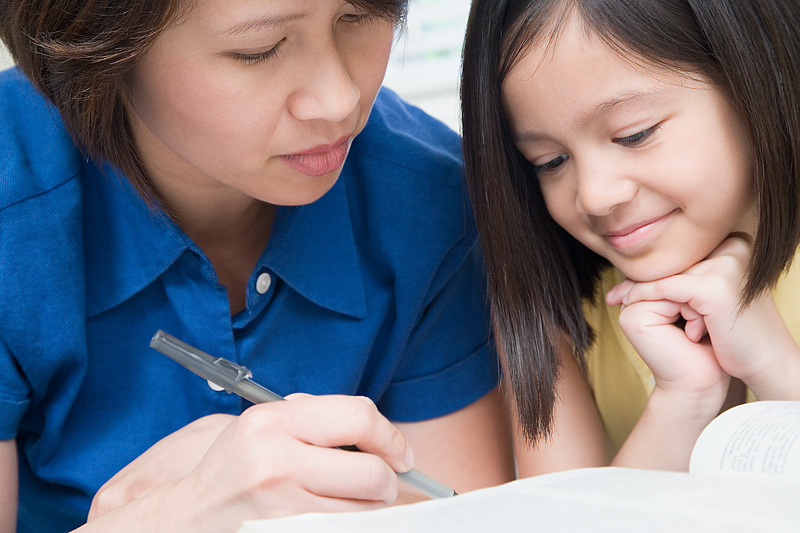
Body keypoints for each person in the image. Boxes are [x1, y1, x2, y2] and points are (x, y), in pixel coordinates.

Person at [0, 0, 516, 531]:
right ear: (99, 49)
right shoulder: (15, 210)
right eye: (258, 51)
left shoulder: (430, 201)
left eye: (360, 15)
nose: (340, 99)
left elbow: (456, 512)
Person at [460, 0, 800, 476]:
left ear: (753, 76)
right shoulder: (552, 306)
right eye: (550, 162)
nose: (595, 196)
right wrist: (683, 402)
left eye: (635, 135)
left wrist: (777, 368)